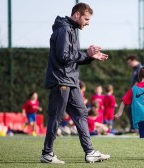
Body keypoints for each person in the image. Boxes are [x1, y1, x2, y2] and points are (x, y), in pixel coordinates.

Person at [41, 3, 110, 164]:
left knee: (81, 114)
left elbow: (72, 57)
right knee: (56, 117)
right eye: (86, 19)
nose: (88, 22)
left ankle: (89, 152)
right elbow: (64, 56)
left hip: (71, 81)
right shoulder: (64, 29)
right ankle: (47, 153)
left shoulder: (71, 30)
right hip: (61, 80)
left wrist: (90, 56)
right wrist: (85, 54)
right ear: (77, 15)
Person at [126, 55, 143, 133]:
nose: (128, 65)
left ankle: (137, 128)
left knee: (136, 110)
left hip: (138, 94)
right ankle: (134, 128)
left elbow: (140, 83)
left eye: (129, 63)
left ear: (133, 60)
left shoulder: (140, 69)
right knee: (131, 109)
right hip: (134, 93)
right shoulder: (135, 69)